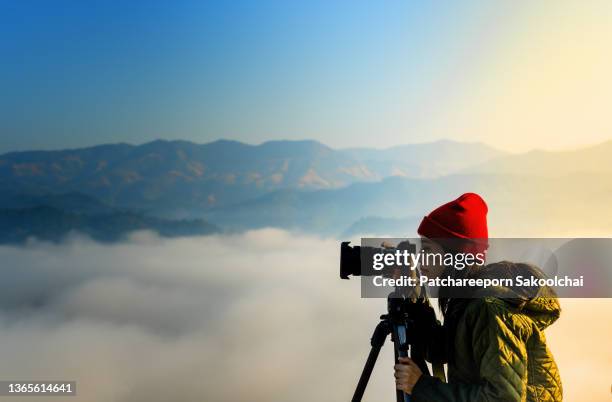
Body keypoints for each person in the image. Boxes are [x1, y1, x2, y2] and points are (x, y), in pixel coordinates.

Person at [394, 193, 562, 402]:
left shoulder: (488, 308)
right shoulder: (466, 300)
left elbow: (503, 398)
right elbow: (441, 349)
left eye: (427, 249)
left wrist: (422, 386)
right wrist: (413, 293)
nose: (421, 257)